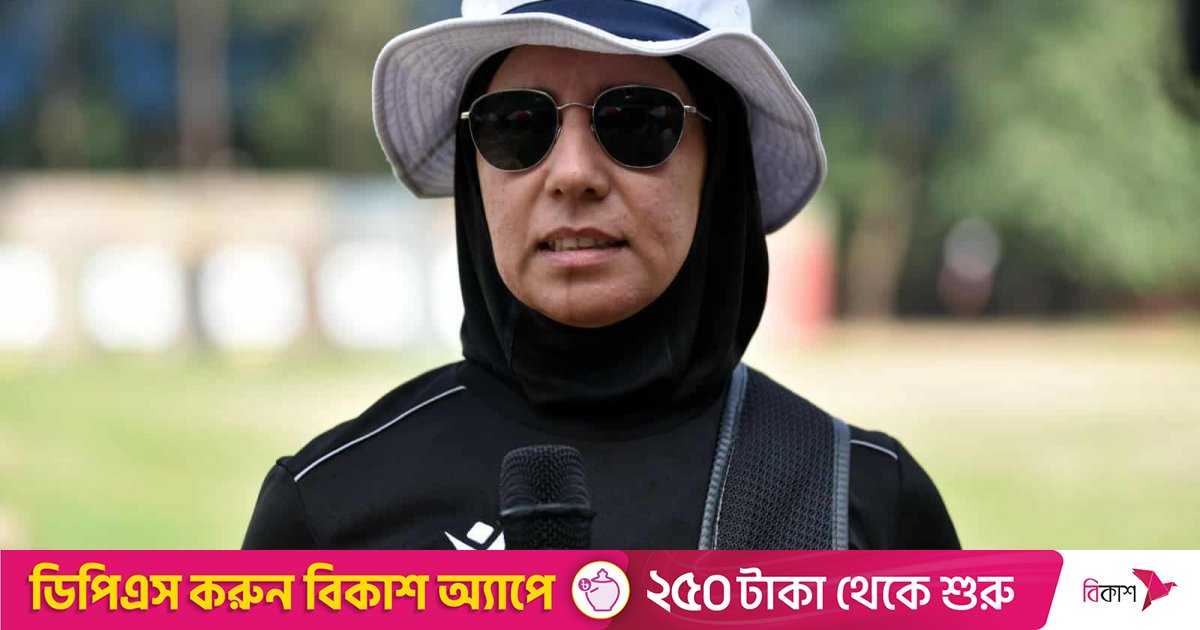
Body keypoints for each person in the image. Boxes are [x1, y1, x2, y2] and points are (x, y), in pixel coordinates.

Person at [243, 0, 959, 550]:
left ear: (719, 167)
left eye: (637, 120)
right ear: (473, 171)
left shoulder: (863, 504)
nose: (573, 173)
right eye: (516, 124)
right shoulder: (328, 509)